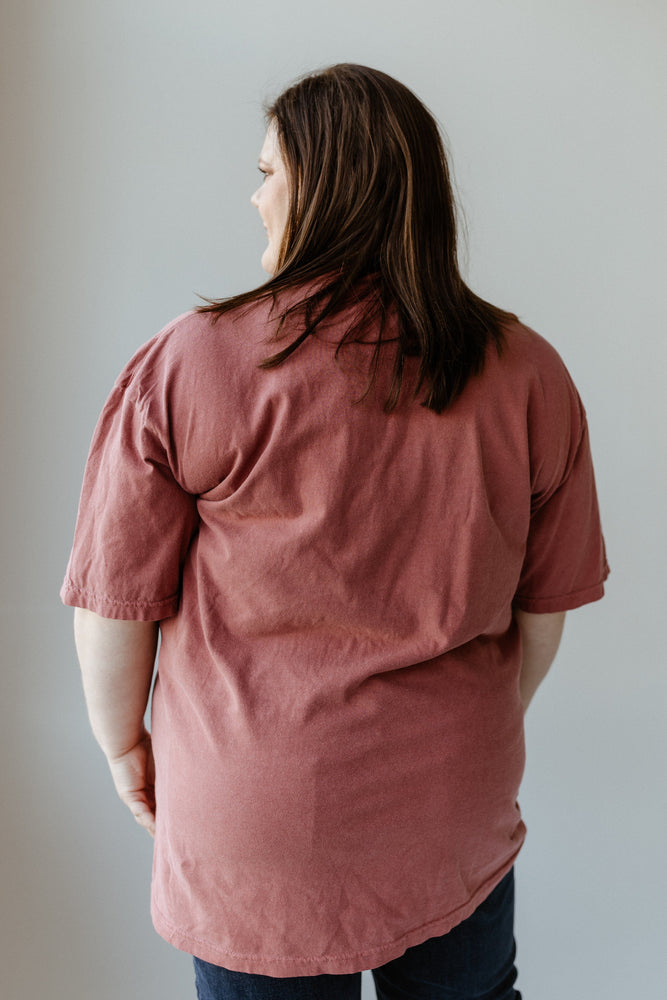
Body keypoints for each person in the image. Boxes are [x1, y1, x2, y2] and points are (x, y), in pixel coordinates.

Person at [61, 64, 609, 1000]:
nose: (253, 193)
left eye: (268, 171)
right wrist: (468, 730)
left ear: (321, 186)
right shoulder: (526, 372)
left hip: (252, 808)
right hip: (450, 801)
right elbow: (545, 611)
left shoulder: (193, 363)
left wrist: (123, 748)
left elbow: (116, 603)